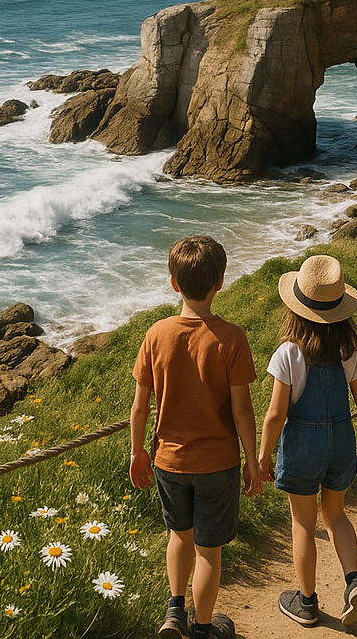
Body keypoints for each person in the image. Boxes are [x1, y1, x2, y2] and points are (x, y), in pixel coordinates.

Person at [130, 235, 262, 639]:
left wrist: (138, 452)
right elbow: (242, 410)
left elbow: (139, 406)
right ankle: (203, 628)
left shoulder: (157, 334)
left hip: (168, 460)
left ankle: (174, 612)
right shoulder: (232, 338)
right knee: (209, 551)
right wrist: (253, 461)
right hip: (218, 463)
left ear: (173, 282)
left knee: (179, 535)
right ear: (220, 281)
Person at [258, 254, 357, 629]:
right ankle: (354, 582)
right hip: (340, 445)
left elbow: (275, 414)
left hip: (303, 448)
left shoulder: (289, 354)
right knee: (335, 515)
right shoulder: (349, 350)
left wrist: (262, 455)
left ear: (296, 310)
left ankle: (306, 602)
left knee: (303, 524)